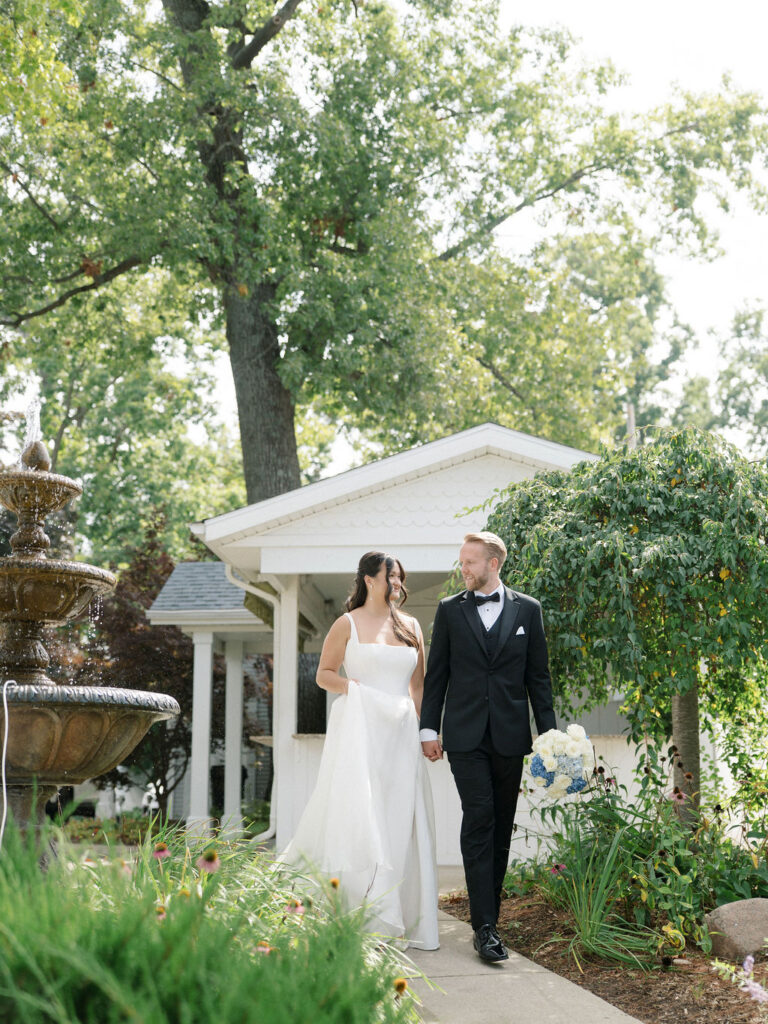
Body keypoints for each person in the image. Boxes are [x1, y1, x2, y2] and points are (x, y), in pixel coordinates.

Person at [280, 551, 439, 951]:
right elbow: (324, 676)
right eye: (392, 577)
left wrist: (426, 732)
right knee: (363, 818)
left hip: (401, 736)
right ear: (370, 579)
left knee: (399, 818)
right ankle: (361, 913)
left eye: (401, 577)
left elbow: (418, 686)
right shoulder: (345, 623)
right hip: (361, 734)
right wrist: (363, 694)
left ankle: (396, 914)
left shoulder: (411, 625)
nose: (398, 584)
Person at [420, 531, 556, 963]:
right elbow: (436, 675)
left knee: (500, 827)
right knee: (479, 818)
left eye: (471, 563)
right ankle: (484, 929)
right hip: (464, 737)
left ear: (494, 563)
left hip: (511, 738)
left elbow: (539, 680)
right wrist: (428, 728)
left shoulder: (528, 610)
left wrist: (549, 737)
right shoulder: (449, 611)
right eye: (462, 561)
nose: (464, 569)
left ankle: (489, 921)